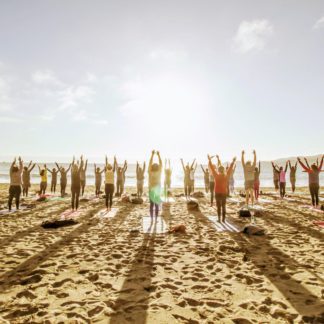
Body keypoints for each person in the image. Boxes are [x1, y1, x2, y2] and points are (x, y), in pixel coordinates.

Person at [208, 154, 236, 222]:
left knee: (218, 206)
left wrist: (209, 160)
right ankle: (223, 219)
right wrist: (233, 161)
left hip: (217, 192)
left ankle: (219, 219)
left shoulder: (216, 175)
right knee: (223, 206)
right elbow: (229, 169)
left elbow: (211, 167)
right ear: (223, 170)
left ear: (218, 170)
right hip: (224, 192)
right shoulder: (226, 176)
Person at [148, 150, 162, 218]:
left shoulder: (150, 172)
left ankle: (151, 218)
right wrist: (158, 155)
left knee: (151, 205)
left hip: (151, 190)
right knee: (156, 204)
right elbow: (161, 164)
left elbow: (150, 163)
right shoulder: (159, 172)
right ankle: (156, 218)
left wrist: (152, 155)